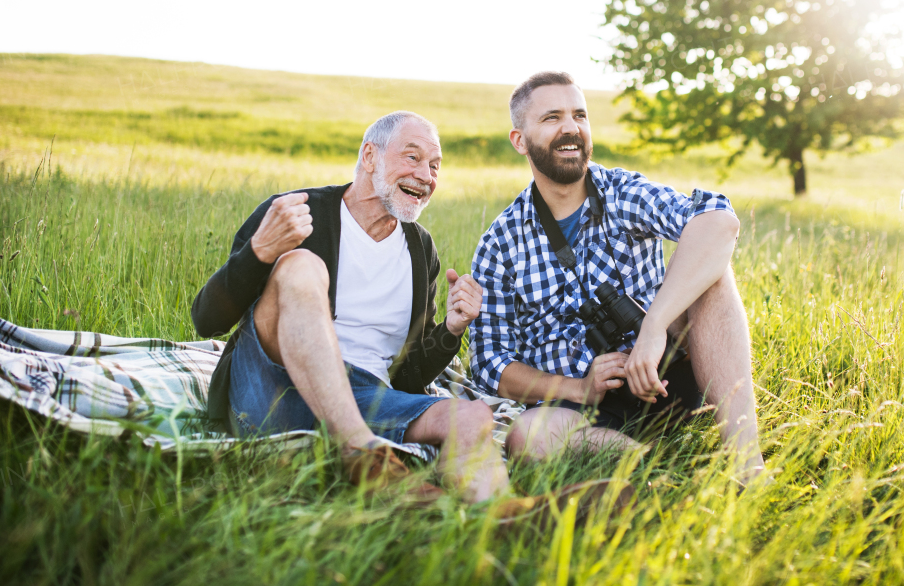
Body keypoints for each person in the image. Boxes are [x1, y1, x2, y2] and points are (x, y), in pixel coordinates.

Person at [193, 110, 578, 512]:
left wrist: (451, 328)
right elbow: (207, 320)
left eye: (435, 166)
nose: (426, 176)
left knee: (471, 417)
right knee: (302, 266)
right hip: (272, 389)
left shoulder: (419, 250)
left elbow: (408, 377)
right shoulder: (298, 213)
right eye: (412, 158)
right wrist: (260, 252)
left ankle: (501, 514)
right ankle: (362, 452)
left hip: (366, 396)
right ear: (369, 157)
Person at [469, 73, 766, 483]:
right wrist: (578, 389)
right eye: (552, 117)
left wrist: (653, 327)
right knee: (528, 435)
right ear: (520, 140)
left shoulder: (620, 191)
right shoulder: (500, 243)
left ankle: (748, 465)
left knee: (712, 275)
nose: (571, 127)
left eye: (579, 115)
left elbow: (718, 221)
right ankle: (650, 464)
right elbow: (489, 364)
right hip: (580, 406)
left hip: (664, 373)